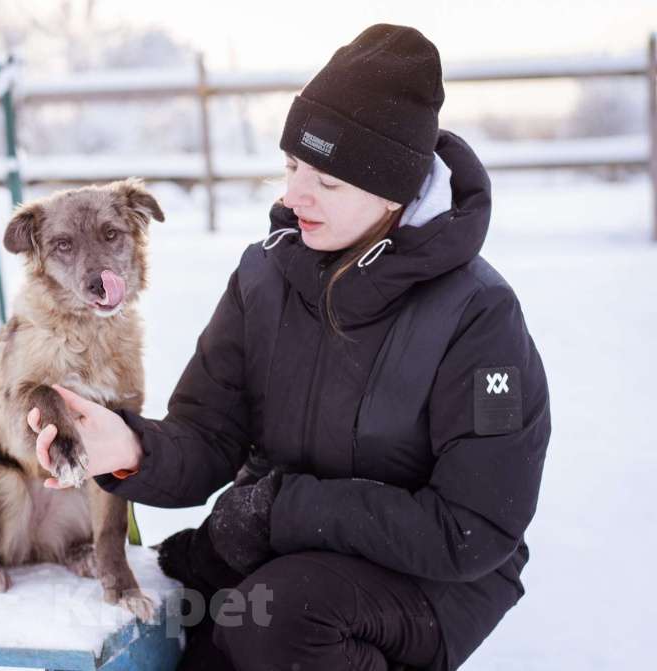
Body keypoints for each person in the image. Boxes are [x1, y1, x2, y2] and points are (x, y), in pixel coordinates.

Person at [27, 23, 551, 671]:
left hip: (435, 580)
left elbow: (473, 527)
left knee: (281, 620)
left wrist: (282, 507)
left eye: (328, 182)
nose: (294, 195)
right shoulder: (265, 277)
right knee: (195, 639)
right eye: (293, 165)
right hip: (282, 555)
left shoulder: (477, 314)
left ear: (395, 190)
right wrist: (130, 448)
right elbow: (209, 434)